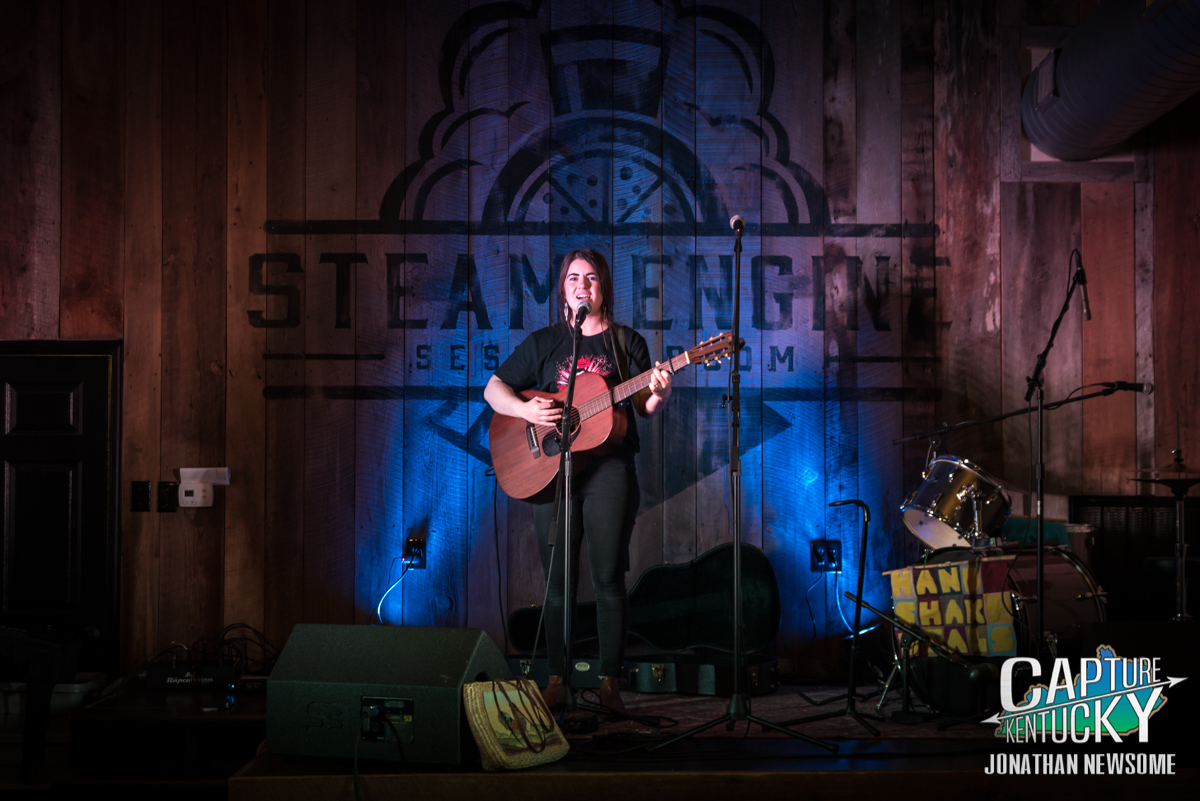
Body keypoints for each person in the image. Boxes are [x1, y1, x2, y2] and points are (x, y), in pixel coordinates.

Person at [484, 248, 673, 713]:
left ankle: (609, 681)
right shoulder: (546, 342)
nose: (582, 286)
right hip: (552, 472)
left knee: (607, 579)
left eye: (590, 278)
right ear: (563, 290)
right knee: (557, 582)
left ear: (603, 286)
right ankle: (556, 678)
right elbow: (493, 389)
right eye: (573, 278)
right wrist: (526, 410)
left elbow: (644, 408)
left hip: (610, 470)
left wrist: (660, 392)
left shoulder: (625, 343)